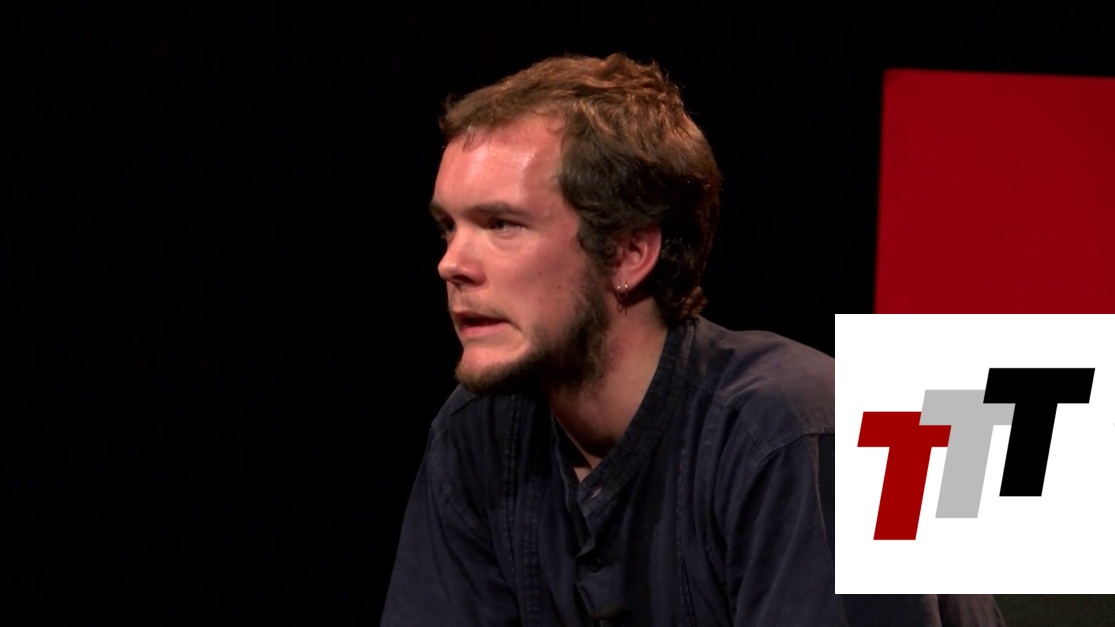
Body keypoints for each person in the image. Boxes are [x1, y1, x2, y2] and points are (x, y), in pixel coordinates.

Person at [381, 52, 1005, 626]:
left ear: (630, 252)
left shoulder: (798, 434)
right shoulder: (475, 434)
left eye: (501, 224)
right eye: (448, 228)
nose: (451, 263)